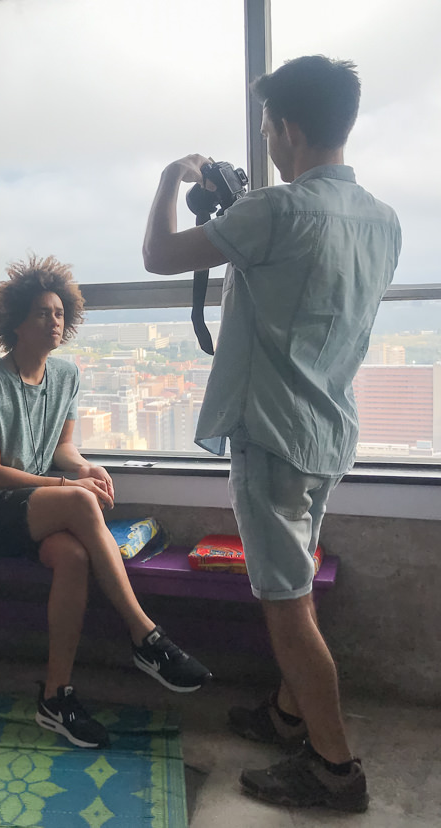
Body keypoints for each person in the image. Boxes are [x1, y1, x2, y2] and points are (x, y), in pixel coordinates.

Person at [142, 56, 401, 812]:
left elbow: (158, 256)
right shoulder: (383, 220)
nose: (267, 141)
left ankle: (334, 767)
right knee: (297, 584)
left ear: (287, 127)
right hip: (327, 430)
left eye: (267, 129)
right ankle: (289, 716)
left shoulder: (277, 212)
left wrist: (171, 177)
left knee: (285, 604)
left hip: (272, 433)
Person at [0, 253, 212, 750]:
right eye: (41, 313)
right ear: (17, 323)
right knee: (79, 503)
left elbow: (61, 448)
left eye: (59, 313)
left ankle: (56, 697)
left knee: (73, 557)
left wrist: (85, 467)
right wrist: (65, 487)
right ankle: (146, 637)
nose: (54, 321)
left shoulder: (66, 375)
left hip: (31, 506)